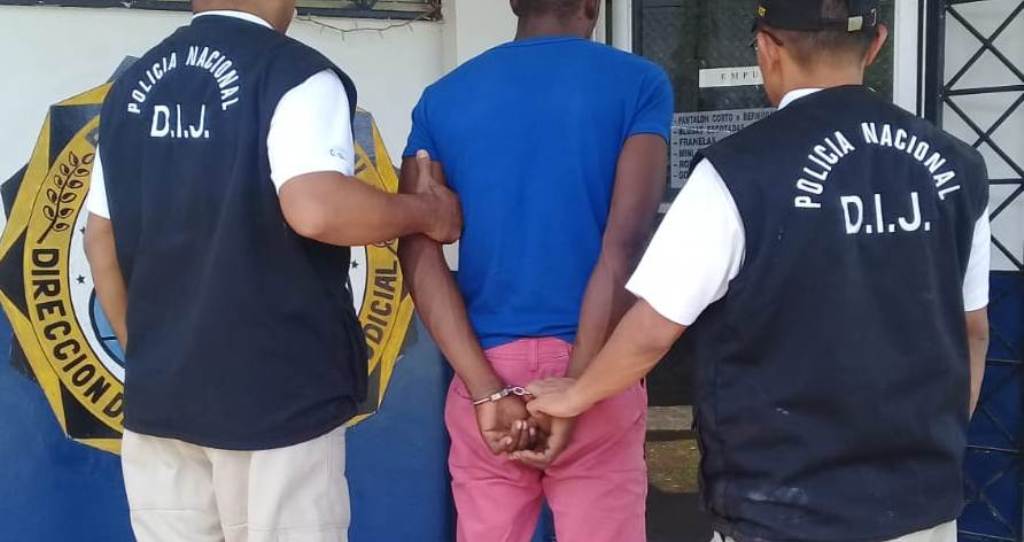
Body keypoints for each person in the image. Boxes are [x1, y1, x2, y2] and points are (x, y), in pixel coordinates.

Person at [527, 1, 991, 541]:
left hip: (784, 509)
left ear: (767, 49)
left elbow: (653, 328)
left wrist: (576, 394)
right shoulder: (961, 167)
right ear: (877, 44)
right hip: (922, 510)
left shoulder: (737, 171)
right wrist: (932, 449)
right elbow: (973, 331)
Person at [83, 2, 460, 541]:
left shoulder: (129, 90)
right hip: (276, 403)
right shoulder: (294, 74)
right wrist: (426, 213)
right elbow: (316, 208)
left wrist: (156, 359)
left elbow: (100, 238)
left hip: (162, 407)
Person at [397, 0, 673, 540]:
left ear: (514, 3)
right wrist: (578, 389)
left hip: (484, 365)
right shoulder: (639, 84)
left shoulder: (443, 98)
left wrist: (484, 389)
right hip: (596, 363)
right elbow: (624, 245)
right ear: (593, 5)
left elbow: (417, 250)